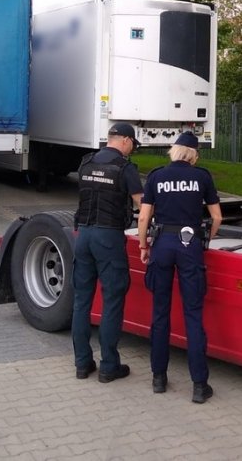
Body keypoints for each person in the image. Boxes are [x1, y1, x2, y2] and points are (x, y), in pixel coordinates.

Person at [137, 131, 223, 403]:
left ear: (173, 151)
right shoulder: (202, 177)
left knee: (160, 313)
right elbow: (216, 217)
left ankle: (158, 378)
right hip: (190, 244)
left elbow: (144, 218)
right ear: (194, 155)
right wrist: (206, 240)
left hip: (162, 245)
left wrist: (143, 245)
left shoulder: (157, 176)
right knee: (193, 315)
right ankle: (199, 386)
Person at [71, 122, 143, 383]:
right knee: (112, 300)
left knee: (81, 301)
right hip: (109, 237)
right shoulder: (125, 168)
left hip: (83, 236)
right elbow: (142, 203)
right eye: (133, 144)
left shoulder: (86, 163)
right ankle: (109, 366)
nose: (132, 149)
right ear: (125, 140)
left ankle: (82, 364)